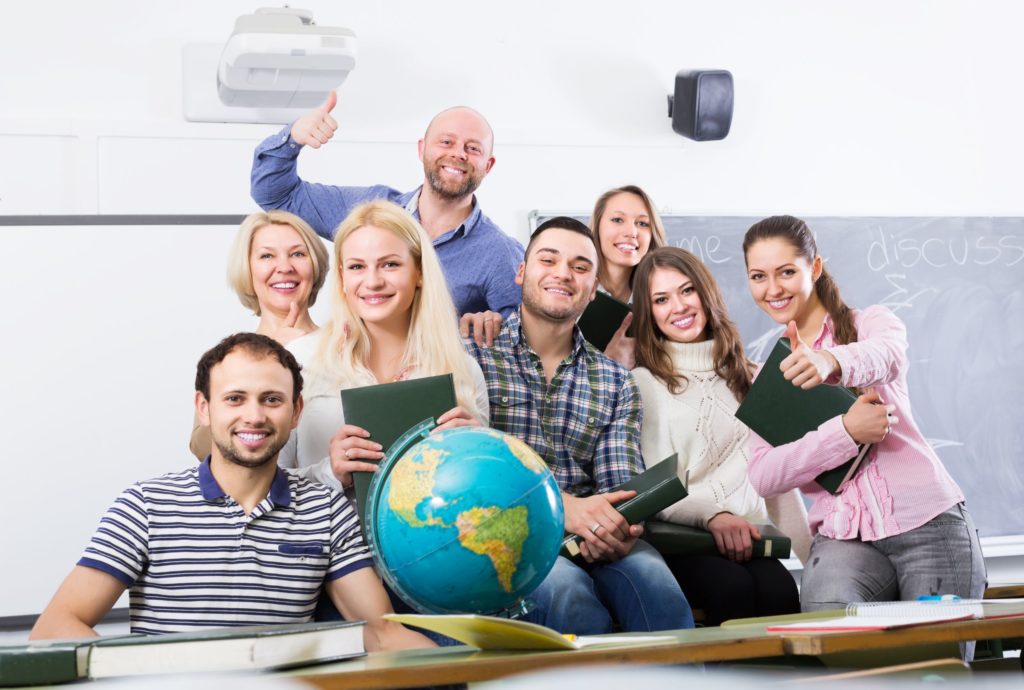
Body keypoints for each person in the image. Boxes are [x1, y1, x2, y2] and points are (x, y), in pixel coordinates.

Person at [31, 332, 433, 653]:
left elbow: (382, 635)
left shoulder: (325, 509)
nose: (254, 416)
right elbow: (55, 627)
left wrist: (474, 672)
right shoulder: (145, 506)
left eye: (271, 400)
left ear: (296, 412)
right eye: (235, 399)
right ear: (204, 409)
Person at [742, 215, 986, 613]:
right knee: (831, 635)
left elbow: (886, 356)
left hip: (928, 521)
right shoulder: (773, 375)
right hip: (843, 538)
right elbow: (764, 475)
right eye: (758, 276)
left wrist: (830, 361)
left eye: (786, 272)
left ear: (815, 267)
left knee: (936, 666)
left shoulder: (871, 322)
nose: (772, 289)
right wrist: (844, 432)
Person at [464, 216, 693, 635]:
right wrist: (565, 509)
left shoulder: (615, 380)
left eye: (581, 267)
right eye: (547, 260)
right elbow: (473, 471)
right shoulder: (473, 356)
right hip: (510, 534)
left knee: (660, 590)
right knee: (570, 598)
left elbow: (620, 485)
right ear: (522, 271)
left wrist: (623, 527)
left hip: (594, 536)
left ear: (594, 287)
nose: (563, 274)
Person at [630, 246, 810, 626]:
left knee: (782, 591)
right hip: (686, 541)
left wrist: (813, 558)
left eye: (686, 291)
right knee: (731, 589)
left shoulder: (753, 375)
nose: (678, 307)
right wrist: (715, 516)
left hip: (754, 540)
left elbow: (777, 481)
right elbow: (658, 489)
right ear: (650, 314)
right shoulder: (643, 383)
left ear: (706, 293)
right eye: (661, 299)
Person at [278, 199, 489, 494]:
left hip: (427, 539)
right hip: (325, 539)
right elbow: (267, 485)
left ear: (419, 272)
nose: (373, 281)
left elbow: (482, 495)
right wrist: (331, 471)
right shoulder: (299, 360)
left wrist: (480, 453)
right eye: (357, 267)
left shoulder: (463, 370)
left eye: (390, 264)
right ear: (341, 278)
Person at [250, 92, 523, 317]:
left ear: (488, 166)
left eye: (473, 148)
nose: (457, 154)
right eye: (446, 142)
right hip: (359, 378)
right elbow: (276, 195)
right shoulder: (367, 211)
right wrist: (293, 137)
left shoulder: (499, 253)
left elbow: (526, 339)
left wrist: (492, 325)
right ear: (422, 149)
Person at [461, 185, 665, 370]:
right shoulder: (558, 293)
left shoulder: (659, 304)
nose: (631, 231)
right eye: (617, 220)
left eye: (642, 223)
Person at [190, 210, 330, 459]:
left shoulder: (346, 348)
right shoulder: (225, 360)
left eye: (298, 254)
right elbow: (203, 451)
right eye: (267, 256)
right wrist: (271, 353)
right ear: (248, 269)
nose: (285, 267)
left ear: (316, 265)